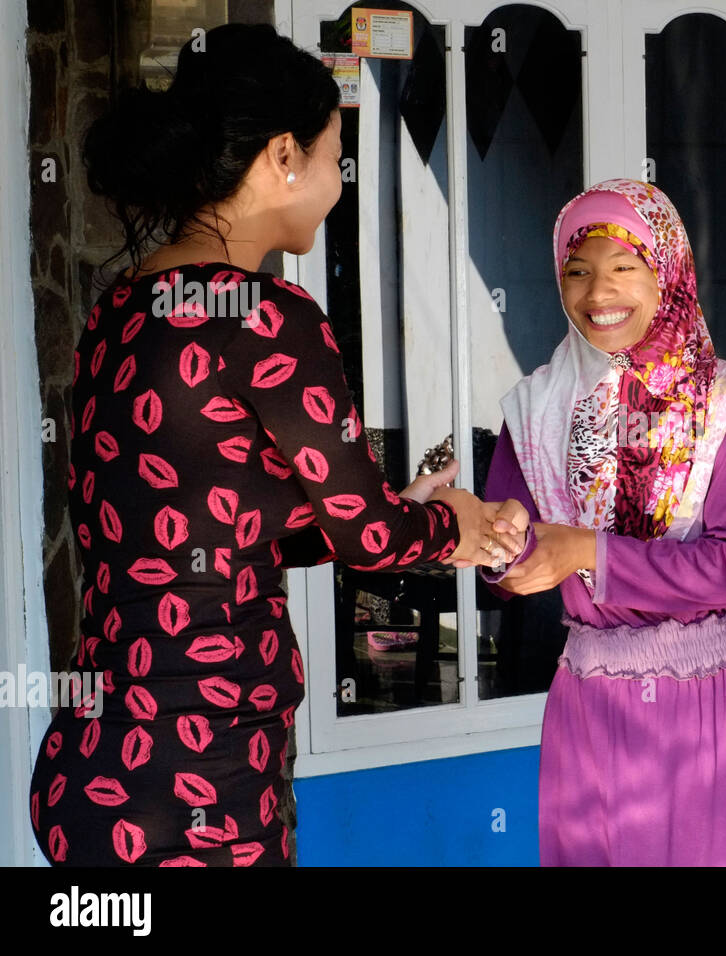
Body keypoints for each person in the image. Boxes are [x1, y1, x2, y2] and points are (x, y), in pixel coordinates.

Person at [28, 24, 525, 866]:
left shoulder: (120, 307)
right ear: (284, 154)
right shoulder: (266, 317)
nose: (338, 183)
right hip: (198, 783)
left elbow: (219, 533)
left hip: (90, 776)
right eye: (336, 154)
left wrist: (398, 510)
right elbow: (372, 545)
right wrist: (459, 529)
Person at [481, 179, 726, 866]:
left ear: (669, 272)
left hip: (702, 701)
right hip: (588, 702)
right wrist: (487, 542)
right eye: (578, 271)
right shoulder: (540, 407)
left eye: (625, 267)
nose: (599, 294)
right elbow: (512, 565)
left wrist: (585, 552)